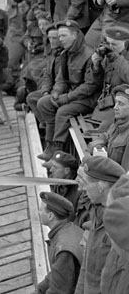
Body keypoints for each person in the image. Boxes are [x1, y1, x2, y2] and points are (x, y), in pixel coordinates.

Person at [36, 20, 102, 161]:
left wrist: (67, 97)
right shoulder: (66, 54)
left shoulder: (89, 55)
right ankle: (49, 144)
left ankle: (58, 149)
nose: (60, 39)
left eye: (63, 36)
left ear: (75, 35)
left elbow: (90, 86)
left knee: (63, 111)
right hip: (71, 95)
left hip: (88, 98)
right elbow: (61, 80)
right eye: (59, 36)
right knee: (43, 103)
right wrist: (56, 93)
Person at [74, 155, 125, 294]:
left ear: (101, 186)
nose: (80, 188)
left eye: (85, 182)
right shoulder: (97, 212)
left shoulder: (121, 224)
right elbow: (87, 265)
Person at [36, 192, 83, 294]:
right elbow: (57, 273)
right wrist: (40, 289)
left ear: (50, 216)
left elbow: (58, 291)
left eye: (41, 210)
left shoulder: (63, 249)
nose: (38, 213)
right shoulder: (72, 229)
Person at [89, 84, 129, 170]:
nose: (115, 107)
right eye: (116, 102)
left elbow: (125, 174)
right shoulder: (117, 124)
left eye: (121, 104)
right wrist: (99, 146)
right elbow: (105, 137)